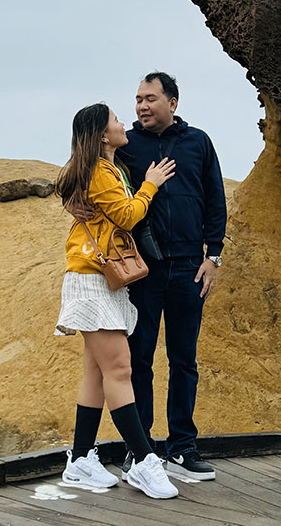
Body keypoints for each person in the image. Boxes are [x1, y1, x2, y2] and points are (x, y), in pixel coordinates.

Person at [54, 101, 180, 499]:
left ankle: (79, 459)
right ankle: (143, 461)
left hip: (97, 276)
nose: (123, 122)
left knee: (96, 373)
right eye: (115, 120)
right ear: (102, 135)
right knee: (120, 368)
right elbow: (127, 216)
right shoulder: (99, 170)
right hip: (92, 278)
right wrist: (151, 185)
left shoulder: (106, 167)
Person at [118, 71, 227, 481]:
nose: (141, 106)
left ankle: (181, 447)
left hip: (187, 269)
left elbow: (215, 200)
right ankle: (141, 450)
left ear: (173, 103)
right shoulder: (127, 145)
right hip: (142, 272)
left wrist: (212, 257)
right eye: (138, 99)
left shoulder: (198, 142)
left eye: (149, 99)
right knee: (138, 361)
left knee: (184, 361)